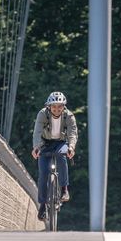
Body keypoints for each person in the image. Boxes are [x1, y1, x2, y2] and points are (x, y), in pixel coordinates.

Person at [31, 91, 77, 221]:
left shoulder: (69, 116)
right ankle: (43, 204)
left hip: (61, 143)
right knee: (43, 174)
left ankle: (64, 189)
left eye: (60, 106)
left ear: (64, 107)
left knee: (61, 156)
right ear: (49, 106)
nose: (57, 109)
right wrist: (36, 147)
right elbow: (37, 132)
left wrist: (71, 147)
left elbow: (73, 133)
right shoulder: (42, 114)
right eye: (54, 106)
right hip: (45, 143)